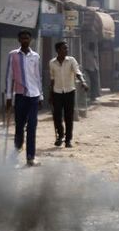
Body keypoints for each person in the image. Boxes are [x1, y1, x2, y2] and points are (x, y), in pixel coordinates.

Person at [5, 30, 44, 167]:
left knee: (32, 127)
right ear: (19, 40)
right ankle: (17, 149)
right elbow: (9, 76)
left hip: (34, 96)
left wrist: (41, 95)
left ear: (30, 39)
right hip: (20, 96)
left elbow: (38, 77)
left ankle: (30, 157)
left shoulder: (35, 56)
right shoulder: (13, 55)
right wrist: (9, 97)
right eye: (22, 38)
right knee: (19, 127)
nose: (25, 40)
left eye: (27, 38)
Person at [49, 41, 89, 148]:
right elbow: (52, 80)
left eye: (67, 48)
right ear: (57, 50)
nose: (66, 50)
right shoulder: (52, 63)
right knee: (57, 116)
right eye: (64, 48)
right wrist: (50, 94)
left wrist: (83, 82)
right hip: (57, 92)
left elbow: (77, 72)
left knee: (68, 116)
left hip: (69, 92)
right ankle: (60, 135)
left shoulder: (71, 60)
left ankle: (68, 140)